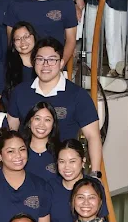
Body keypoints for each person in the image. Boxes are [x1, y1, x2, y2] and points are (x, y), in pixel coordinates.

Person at [6, 37, 102, 171]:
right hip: (25, 170)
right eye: (40, 59)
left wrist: (95, 174)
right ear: (34, 62)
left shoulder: (77, 95)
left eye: (52, 60)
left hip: (64, 171)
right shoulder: (20, 92)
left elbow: (93, 137)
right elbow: (11, 132)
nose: (45, 65)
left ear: (61, 63)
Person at [6, 0, 77, 66]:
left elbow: (71, 40)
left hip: (54, 65)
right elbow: (11, 40)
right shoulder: (16, 4)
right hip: (24, 66)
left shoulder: (66, 3)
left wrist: (59, 65)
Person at [50, 139, 107, 222]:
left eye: (72, 161)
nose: (67, 167)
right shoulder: (50, 187)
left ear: (83, 161)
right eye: (62, 162)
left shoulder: (94, 185)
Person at [21, 101, 60, 183]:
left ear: (53, 125)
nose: (41, 124)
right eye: (37, 119)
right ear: (29, 122)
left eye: (47, 120)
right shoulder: (19, 151)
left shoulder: (60, 152)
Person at [4, 21, 36, 105]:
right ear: (13, 43)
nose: (23, 42)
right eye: (18, 39)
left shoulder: (44, 64)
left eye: (26, 37)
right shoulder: (6, 66)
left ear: (34, 37)